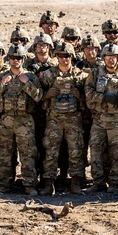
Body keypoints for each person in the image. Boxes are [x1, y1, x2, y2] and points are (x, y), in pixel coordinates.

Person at [0, 44, 42, 194]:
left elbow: (39, 96)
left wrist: (27, 84)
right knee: (4, 154)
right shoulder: (2, 76)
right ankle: (4, 185)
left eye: (18, 57)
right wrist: (1, 84)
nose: (15, 60)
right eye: (13, 57)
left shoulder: (31, 77)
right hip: (6, 120)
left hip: (25, 121)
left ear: (24, 59)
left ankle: (30, 185)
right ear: (9, 59)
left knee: (28, 155)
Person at [40, 42, 89, 194]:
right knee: (51, 152)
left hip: (73, 120)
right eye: (61, 56)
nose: (64, 59)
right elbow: (39, 97)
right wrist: (49, 94)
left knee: (76, 151)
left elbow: (88, 100)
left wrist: (78, 95)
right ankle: (48, 183)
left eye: (67, 56)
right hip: (54, 120)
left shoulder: (80, 76)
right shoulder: (48, 75)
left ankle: (75, 182)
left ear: (72, 57)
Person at [84, 43, 118, 192]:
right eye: (108, 57)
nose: (110, 60)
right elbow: (88, 94)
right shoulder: (95, 74)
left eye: (113, 57)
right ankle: (98, 182)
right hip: (99, 120)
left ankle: (114, 182)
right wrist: (104, 97)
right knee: (96, 152)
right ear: (103, 58)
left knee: (117, 153)